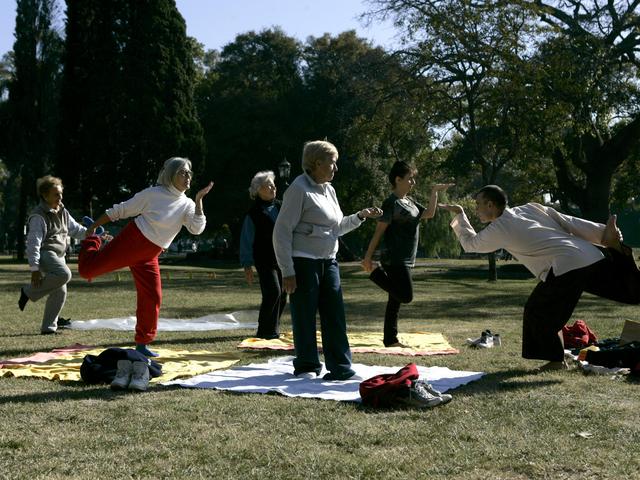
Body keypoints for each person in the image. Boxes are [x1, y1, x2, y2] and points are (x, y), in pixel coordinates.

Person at [440, 185, 640, 371]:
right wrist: (602, 233)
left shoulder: (499, 228)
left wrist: (459, 215)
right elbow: (568, 221)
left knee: (538, 310)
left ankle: (556, 361)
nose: (476, 209)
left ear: (490, 205)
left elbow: (471, 244)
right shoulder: (529, 208)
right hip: (588, 254)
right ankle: (619, 252)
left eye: (478, 204)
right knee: (628, 291)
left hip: (566, 264)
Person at [78, 157, 213, 357]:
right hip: (132, 242)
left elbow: (196, 228)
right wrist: (93, 227)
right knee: (87, 271)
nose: (188, 177)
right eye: (183, 172)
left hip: (150, 254)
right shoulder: (154, 194)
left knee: (152, 297)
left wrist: (200, 201)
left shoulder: (188, 204)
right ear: (171, 175)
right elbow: (121, 209)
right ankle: (95, 239)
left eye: (189, 173)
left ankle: (142, 344)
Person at [273, 140, 382, 380]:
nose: (336, 168)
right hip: (303, 262)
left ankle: (341, 367)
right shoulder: (298, 189)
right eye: (333, 163)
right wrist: (287, 270)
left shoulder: (329, 190)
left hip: (329, 261)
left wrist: (361, 216)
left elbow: (337, 228)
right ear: (317, 163)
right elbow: (281, 231)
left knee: (335, 315)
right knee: (304, 315)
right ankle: (307, 366)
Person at [362, 161, 453, 347]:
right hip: (394, 257)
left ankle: (390, 339)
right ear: (398, 179)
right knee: (406, 296)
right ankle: (375, 274)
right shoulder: (391, 203)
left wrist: (434, 191)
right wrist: (368, 258)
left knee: (395, 300)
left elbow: (428, 213)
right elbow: (379, 231)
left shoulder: (409, 202)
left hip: (406, 258)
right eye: (410, 178)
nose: (413, 182)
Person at [18, 175, 92, 334]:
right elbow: (34, 243)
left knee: (60, 291)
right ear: (45, 196)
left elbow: (76, 230)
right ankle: (27, 291)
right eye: (56, 194)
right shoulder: (38, 216)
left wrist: (93, 234)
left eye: (61, 194)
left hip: (59, 255)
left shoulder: (63, 211)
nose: (60, 197)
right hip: (46, 253)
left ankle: (48, 328)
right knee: (65, 274)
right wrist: (34, 268)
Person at [239, 170, 286, 339]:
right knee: (273, 292)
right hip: (264, 259)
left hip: (284, 258)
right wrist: (247, 265)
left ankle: (273, 328)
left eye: (273, 184)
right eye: (268, 185)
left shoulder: (283, 206)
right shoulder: (253, 214)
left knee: (283, 295)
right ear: (258, 190)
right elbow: (246, 239)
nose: (273, 187)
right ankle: (264, 331)